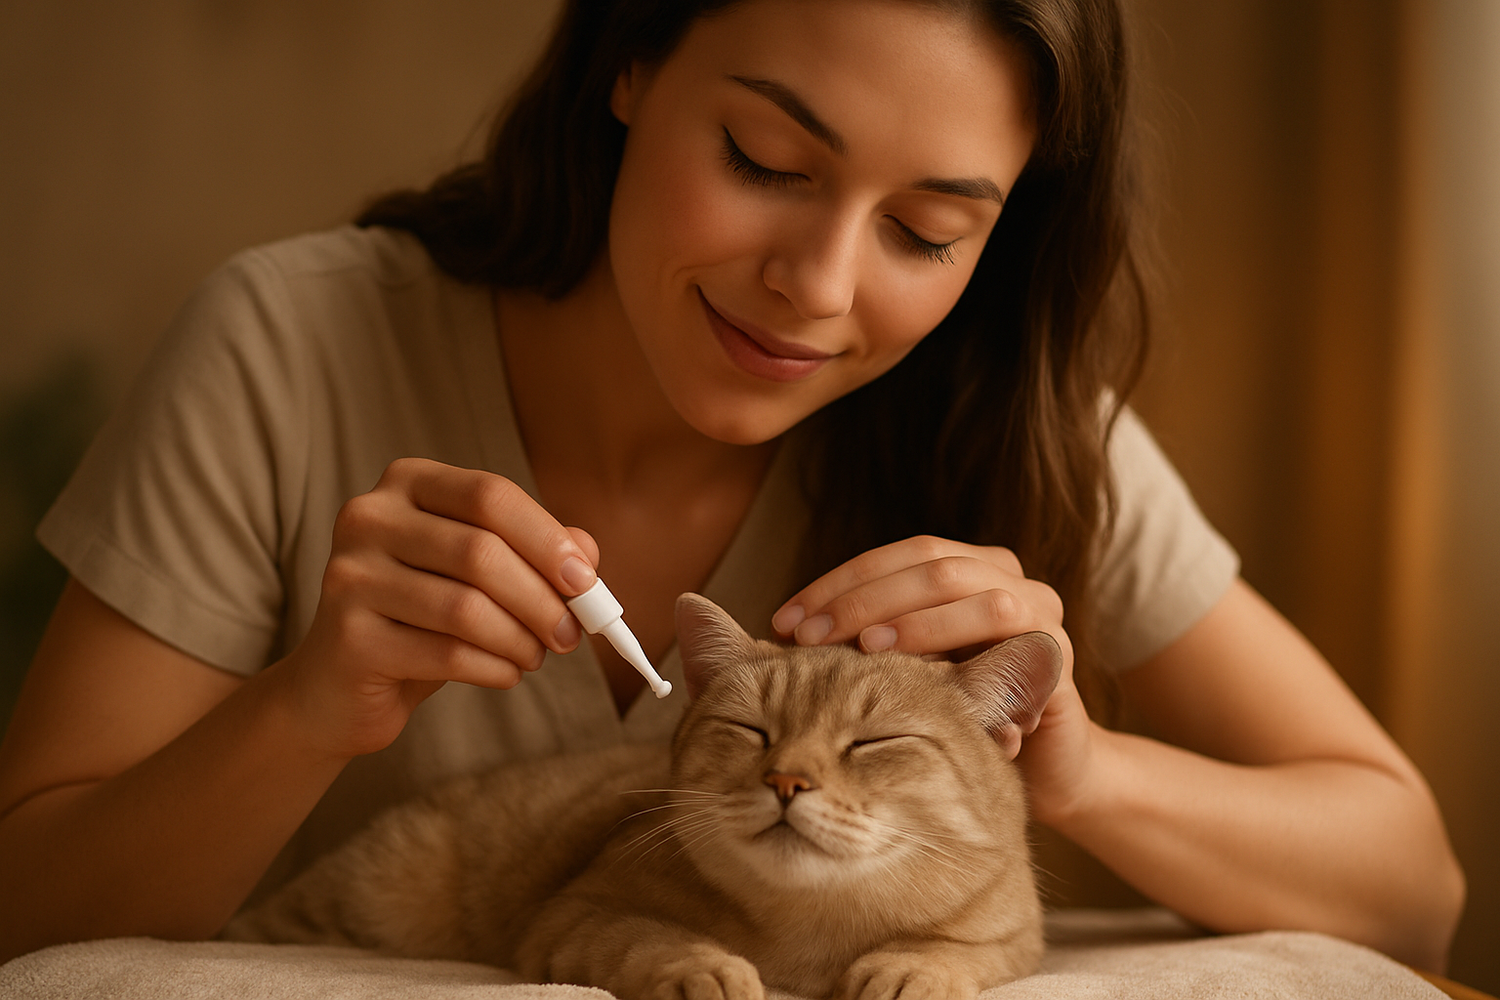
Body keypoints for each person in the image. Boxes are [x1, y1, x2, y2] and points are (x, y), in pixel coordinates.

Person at [0, 0, 1463, 973]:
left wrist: (1068, 767)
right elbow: (29, 922)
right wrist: (312, 703)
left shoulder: (1023, 424)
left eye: (929, 231)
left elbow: (1412, 891)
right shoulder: (290, 346)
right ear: (630, 60)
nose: (816, 292)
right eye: (765, 158)